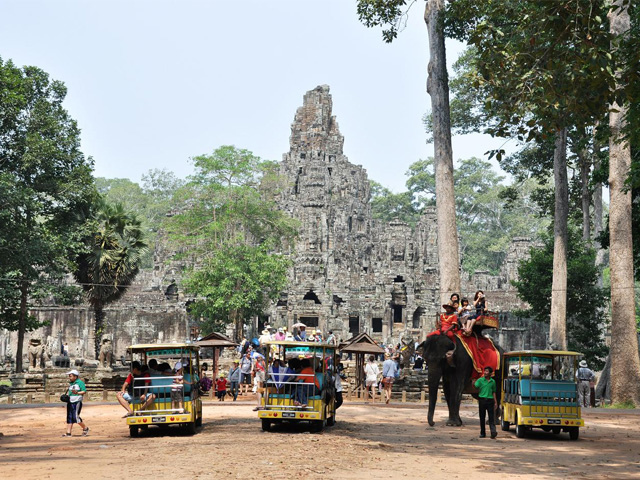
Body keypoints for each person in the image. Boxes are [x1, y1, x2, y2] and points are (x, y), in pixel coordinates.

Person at [62, 369, 89, 437]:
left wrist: (77, 392)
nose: (69, 377)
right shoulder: (71, 383)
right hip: (70, 401)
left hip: (77, 401)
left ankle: (85, 428)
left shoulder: (80, 383)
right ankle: (68, 433)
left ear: (75, 376)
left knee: (75, 417)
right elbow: (70, 392)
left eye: (70, 376)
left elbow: (84, 391)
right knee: (69, 417)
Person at [474, 366, 498, 439]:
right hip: (482, 400)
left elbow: (494, 392)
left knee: (491, 417)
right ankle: (482, 433)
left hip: (490, 400)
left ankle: (493, 432)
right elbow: (475, 386)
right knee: (482, 417)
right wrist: (474, 383)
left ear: (490, 373)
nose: (485, 372)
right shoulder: (480, 380)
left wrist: (495, 402)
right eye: (485, 371)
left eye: (487, 371)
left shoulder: (493, 382)